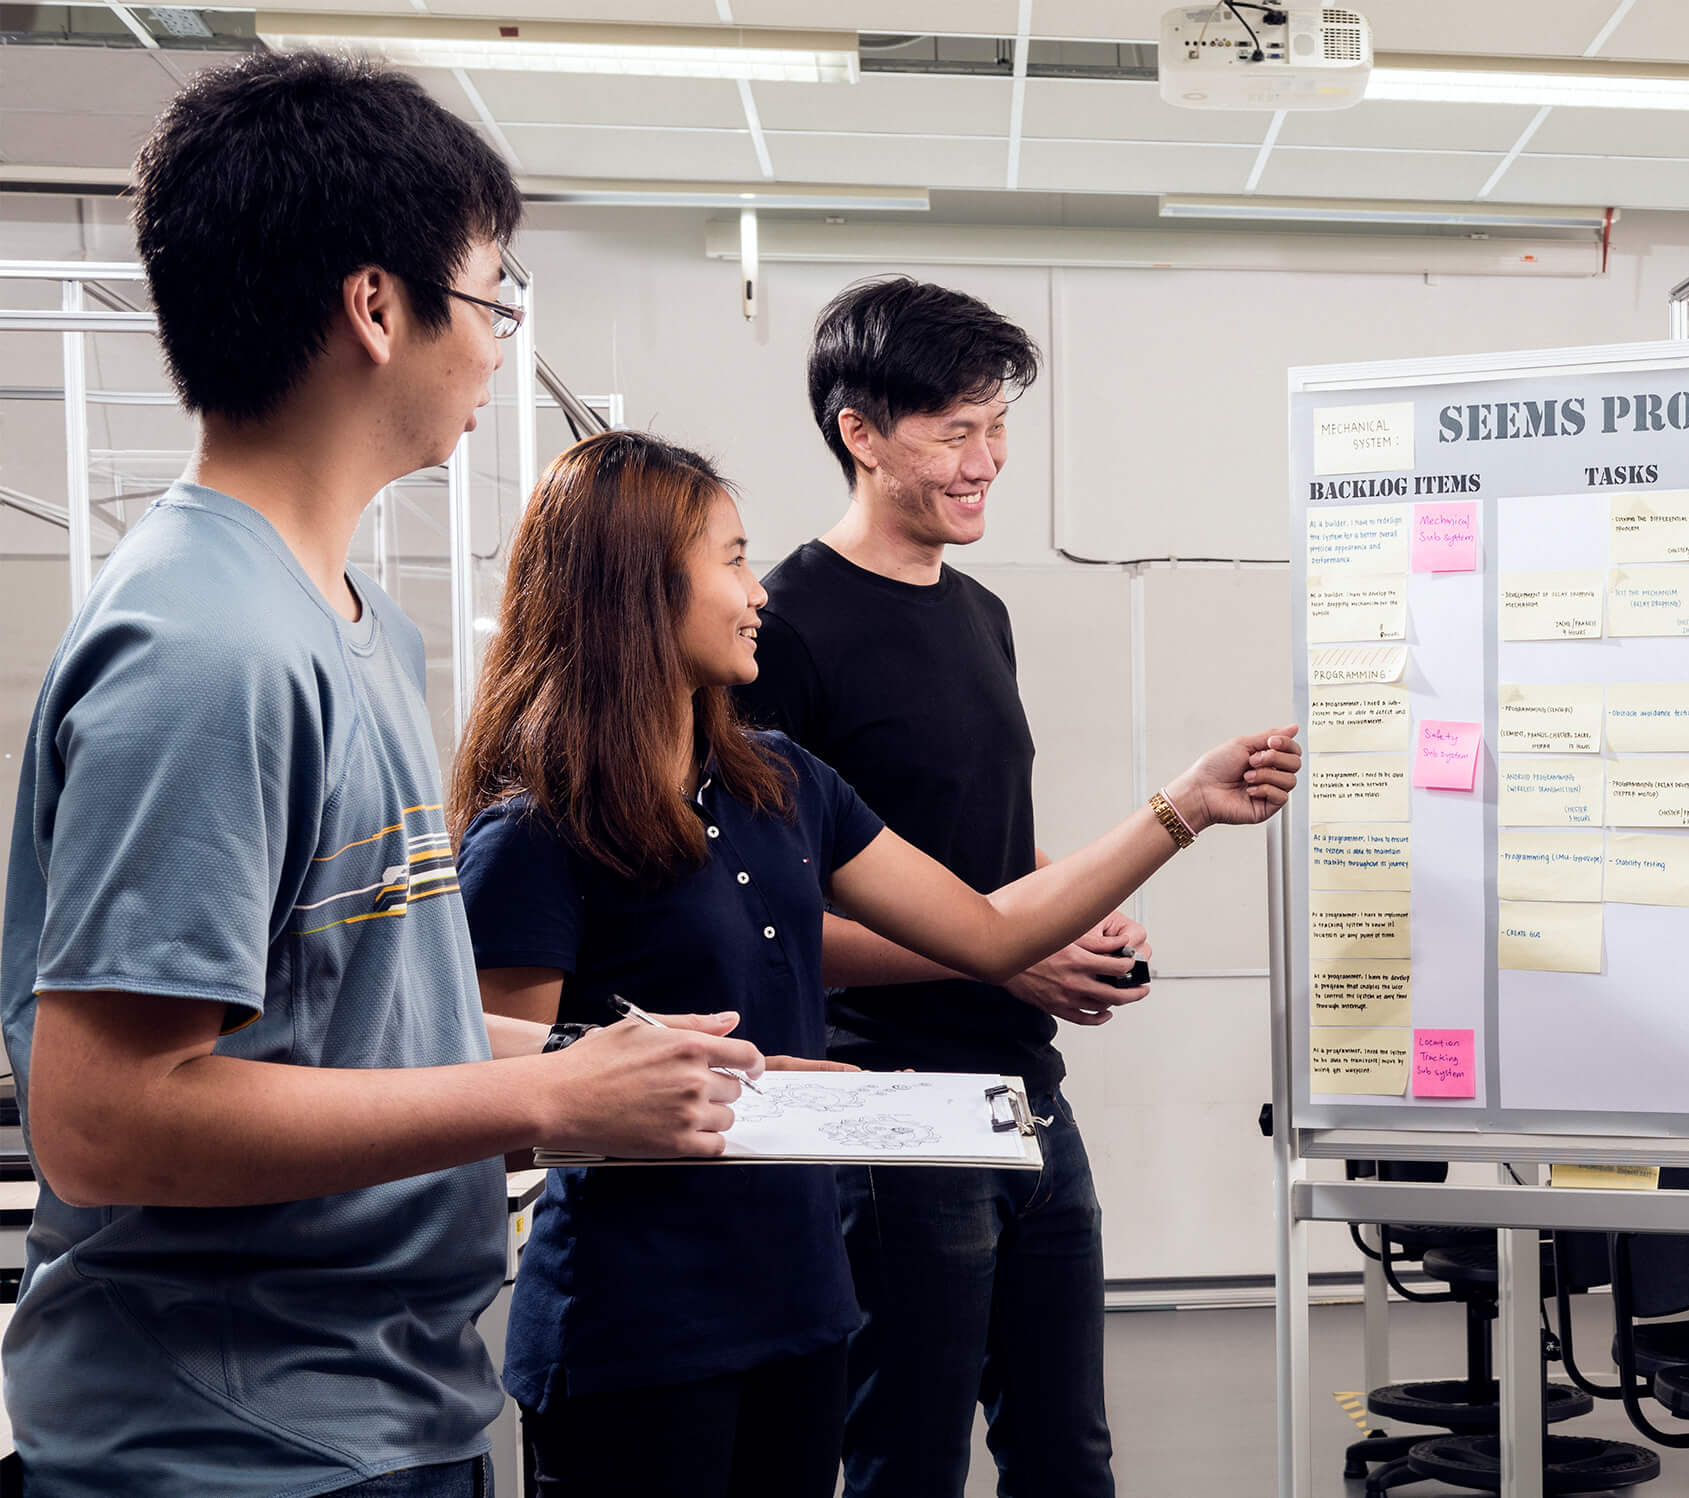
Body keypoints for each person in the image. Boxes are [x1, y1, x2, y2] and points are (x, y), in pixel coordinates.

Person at [0, 54, 764, 1498]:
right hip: (232, 1448)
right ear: (375, 306)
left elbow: (346, 1029)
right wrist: (543, 1106)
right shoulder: (206, 650)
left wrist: (602, 1069)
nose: (491, 345)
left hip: (373, 1411)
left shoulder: (345, 621)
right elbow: (105, 1119)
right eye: (486, 298)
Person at [448, 430, 1299, 1497]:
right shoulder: (536, 832)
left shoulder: (784, 783)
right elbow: (499, 1098)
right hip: (636, 1330)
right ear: (635, 591)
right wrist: (724, 1087)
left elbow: (988, 932)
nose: (757, 592)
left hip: (801, 1307)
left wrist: (1184, 806)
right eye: (731, 560)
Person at [729, 277, 1138, 1496]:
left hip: (1027, 1096)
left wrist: (1063, 911)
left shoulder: (983, 613)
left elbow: (982, 853)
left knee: (1067, 1454)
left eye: (996, 424)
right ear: (859, 432)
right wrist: (999, 945)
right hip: (886, 1106)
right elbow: (772, 920)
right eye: (953, 430)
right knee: (905, 1459)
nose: (987, 459)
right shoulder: (779, 627)